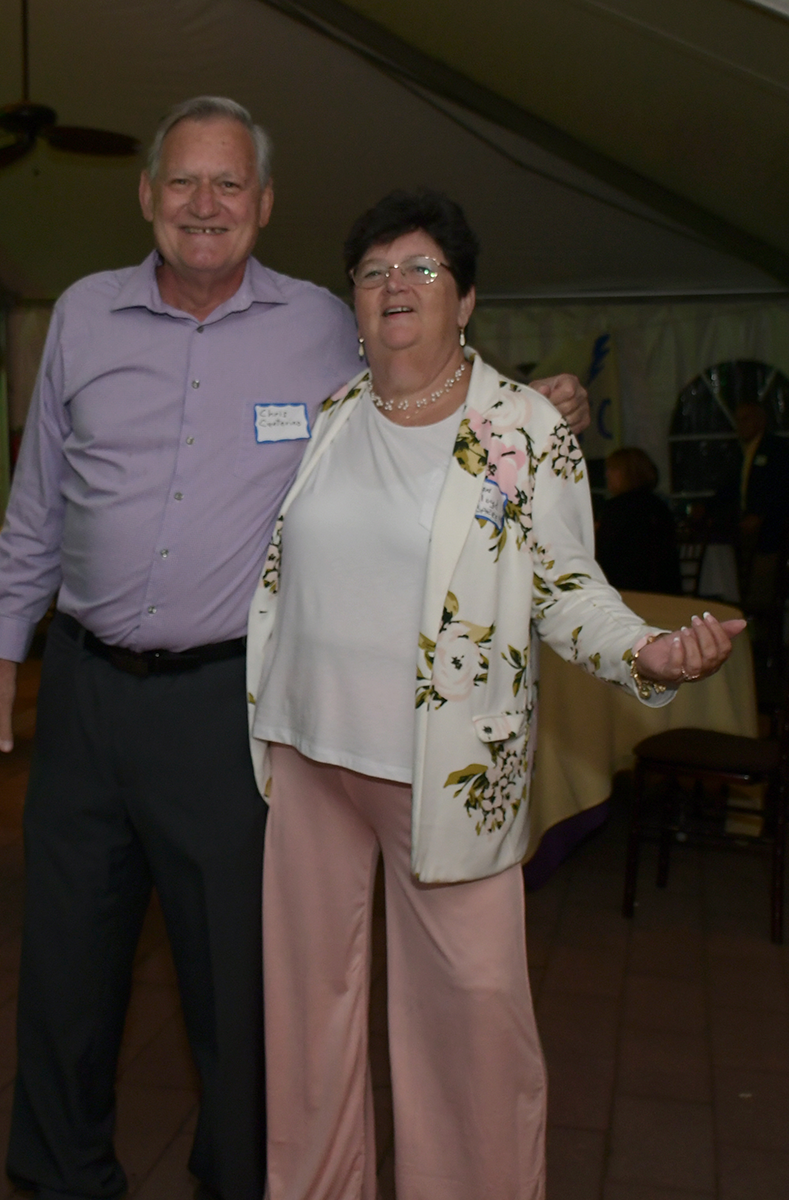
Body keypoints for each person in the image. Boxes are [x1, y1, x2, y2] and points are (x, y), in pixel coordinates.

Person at [0, 97, 590, 1200]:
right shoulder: (83, 315)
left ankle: (242, 1180)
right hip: (85, 693)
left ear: (263, 205)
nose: (204, 205)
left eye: (229, 185)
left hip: (228, 704)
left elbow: (424, 376)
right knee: (65, 960)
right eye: (183, 182)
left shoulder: (322, 322)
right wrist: (1, 656)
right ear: (147, 196)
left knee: (236, 977)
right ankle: (60, 1176)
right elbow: (39, 501)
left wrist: (532, 405)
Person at [246, 190, 743, 1200]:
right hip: (306, 753)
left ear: (466, 299)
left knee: (471, 1024)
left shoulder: (523, 428)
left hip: (446, 771)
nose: (395, 285)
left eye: (421, 268)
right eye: (375, 271)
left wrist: (647, 653)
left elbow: (566, 587)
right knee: (305, 1019)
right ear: (355, 301)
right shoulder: (336, 414)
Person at [714, 399, 789, 612]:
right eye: (738, 420)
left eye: (745, 419)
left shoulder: (777, 449)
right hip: (746, 533)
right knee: (745, 580)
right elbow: (729, 488)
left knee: (763, 583)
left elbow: (780, 487)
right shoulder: (741, 452)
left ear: (760, 421)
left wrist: (760, 514)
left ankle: (762, 621)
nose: (740, 425)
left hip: (772, 533)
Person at [595, 446, 681, 594]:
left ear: (628, 474)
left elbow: (605, 554)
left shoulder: (617, 508)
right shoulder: (658, 506)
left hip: (626, 589)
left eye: (613, 469)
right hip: (664, 588)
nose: (607, 474)